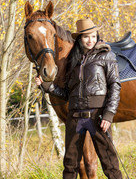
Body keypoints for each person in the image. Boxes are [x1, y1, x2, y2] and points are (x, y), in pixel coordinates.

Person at [35, 18, 123, 179]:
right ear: (79, 39)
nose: (90, 40)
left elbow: (115, 87)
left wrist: (109, 115)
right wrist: (47, 86)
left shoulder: (106, 56)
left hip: (98, 116)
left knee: (109, 163)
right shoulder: (73, 61)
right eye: (86, 37)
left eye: (93, 36)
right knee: (70, 165)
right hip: (75, 117)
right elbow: (67, 94)